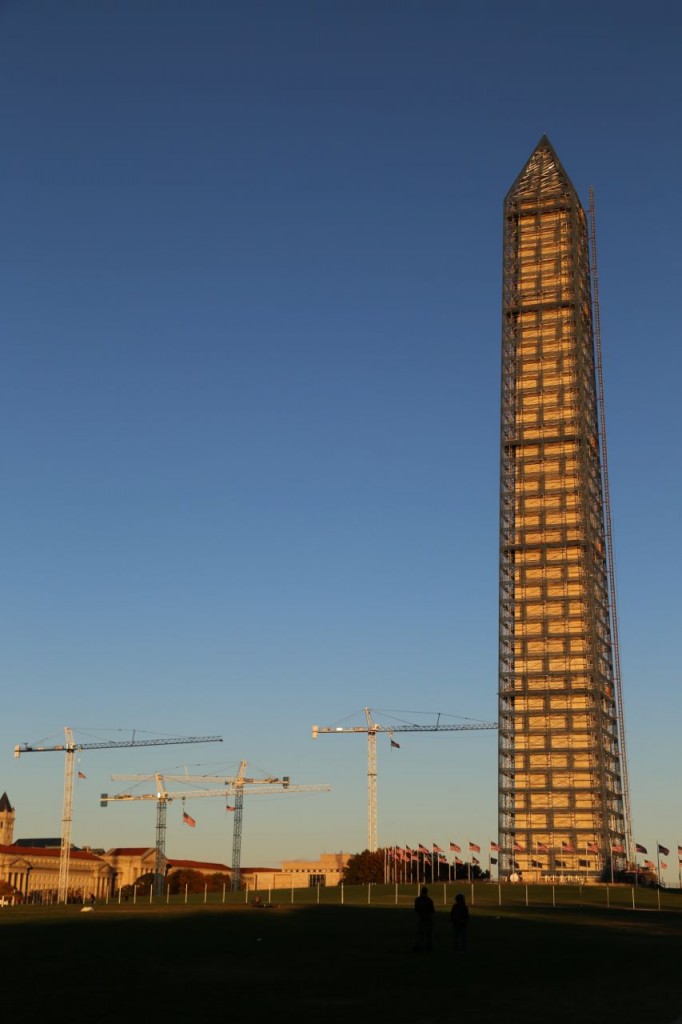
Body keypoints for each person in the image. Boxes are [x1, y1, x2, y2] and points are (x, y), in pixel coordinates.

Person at [414, 885, 435, 952]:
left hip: (420, 919)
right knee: (428, 935)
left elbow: (416, 909)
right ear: (427, 892)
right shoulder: (429, 900)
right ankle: (428, 947)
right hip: (428, 919)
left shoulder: (417, 900)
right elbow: (432, 910)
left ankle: (420, 946)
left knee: (420, 934)